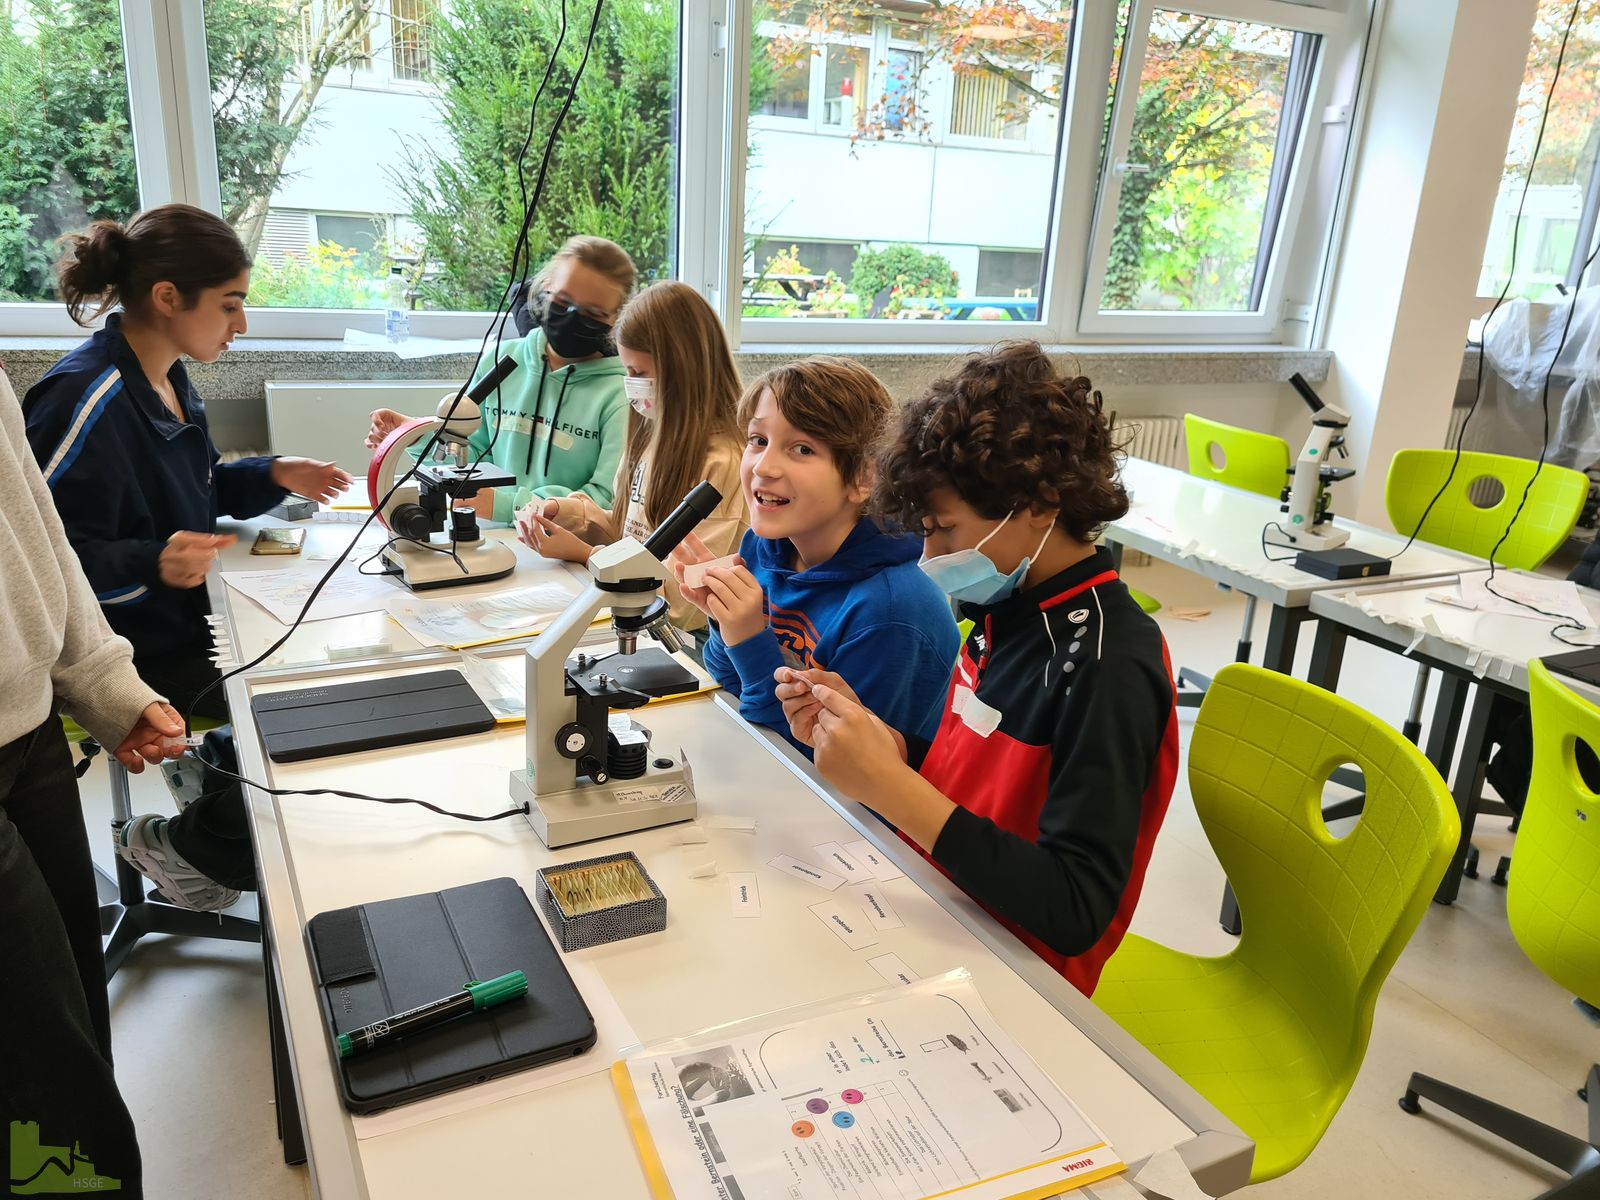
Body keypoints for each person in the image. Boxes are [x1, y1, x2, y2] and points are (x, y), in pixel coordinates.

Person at [775, 343, 1179, 996]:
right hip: (943, 906)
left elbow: (1074, 911)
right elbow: (983, 778)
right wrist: (892, 748)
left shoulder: (1107, 663)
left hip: (1018, 975)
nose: (931, 554)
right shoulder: (1008, 605)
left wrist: (891, 789)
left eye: (948, 532)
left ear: (1043, 503)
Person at [23, 204, 351, 912]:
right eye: (231, 305)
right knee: (300, 693)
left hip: (182, 615)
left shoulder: (168, 376)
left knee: (322, 651)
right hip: (126, 648)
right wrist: (151, 560)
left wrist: (271, 473)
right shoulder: (84, 398)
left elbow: (195, 488)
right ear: (169, 297)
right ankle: (184, 846)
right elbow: (38, 564)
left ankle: (218, 772)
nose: (242, 325)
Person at [3, 363, 193, 1199]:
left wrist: (103, 679)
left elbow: (32, 531)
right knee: (42, 1063)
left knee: (75, 1014)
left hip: (28, 722)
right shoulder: (90, 392)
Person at [673, 357, 959, 751]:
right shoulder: (766, 547)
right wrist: (726, 625)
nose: (764, 467)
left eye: (802, 448)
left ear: (864, 477)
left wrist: (750, 637)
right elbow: (731, 687)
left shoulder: (891, 611)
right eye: (758, 440)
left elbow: (820, 758)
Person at [515, 280, 747, 637]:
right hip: (638, 618)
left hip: (689, 641)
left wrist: (585, 554)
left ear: (683, 371)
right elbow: (632, 534)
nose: (630, 384)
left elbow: (686, 607)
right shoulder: (652, 437)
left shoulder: (724, 463)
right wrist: (566, 514)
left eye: (639, 374)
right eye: (627, 371)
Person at [366, 235, 633, 526]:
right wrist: (416, 435)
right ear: (546, 288)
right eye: (564, 301)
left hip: (567, 554)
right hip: (490, 537)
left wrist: (509, 506)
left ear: (617, 316)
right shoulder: (503, 363)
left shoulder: (620, 394)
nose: (572, 318)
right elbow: (467, 455)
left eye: (592, 313)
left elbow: (607, 498)